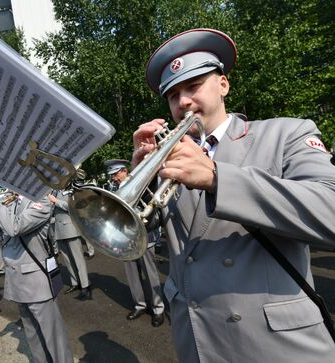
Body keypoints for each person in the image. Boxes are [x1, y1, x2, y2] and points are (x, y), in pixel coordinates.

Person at [132, 28, 335, 362]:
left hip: (275, 345)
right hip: (197, 339)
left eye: (193, 86)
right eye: (172, 95)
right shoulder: (168, 159)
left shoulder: (287, 133)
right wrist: (141, 179)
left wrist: (217, 178)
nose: (182, 101)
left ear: (223, 85)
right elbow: (141, 237)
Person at [0, 178, 74, 363]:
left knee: (53, 338)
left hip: (36, 282)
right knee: (33, 336)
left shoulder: (42, 200)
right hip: (18, 280)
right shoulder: (13, 202)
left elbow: (15, 227)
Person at [104, 159, 165, 327]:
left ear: (124, 171)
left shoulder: (140, 181)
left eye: (115, 174)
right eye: (112, 176)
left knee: (150, 273)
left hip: (144, 234)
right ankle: (140, 305)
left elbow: (150, 205)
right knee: (132, 274)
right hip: (125, 238)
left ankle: (158, 308)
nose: (114, 179)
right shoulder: (112, 187)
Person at [48, 190, 91, 300]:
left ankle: (85, 286)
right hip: (59, 230)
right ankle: (75, 283)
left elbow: (72, 207)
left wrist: (55, 201)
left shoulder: (70, 191)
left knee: (78, 260)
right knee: (67, 260)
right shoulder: (53, 192)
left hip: (70, 229)